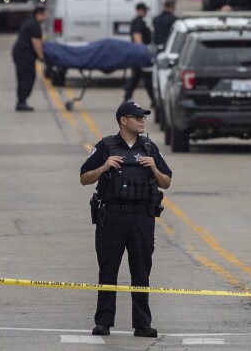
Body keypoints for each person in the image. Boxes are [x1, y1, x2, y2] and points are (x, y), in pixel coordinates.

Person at [80, 101, 172, 338]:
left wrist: (153, 168)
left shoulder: (150, 148)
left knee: (141, 270)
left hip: (142, 216)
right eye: (137, 117)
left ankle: (142, 324)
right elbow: (84, 178)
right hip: (112, 216)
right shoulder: (106, 146)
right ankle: (103, 322)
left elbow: (166, 182)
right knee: (108, 269)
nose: (142, 121)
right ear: (123, 120)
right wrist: (103, 167)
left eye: (143, 117)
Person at [11, 6, 46, 111]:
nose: (46, 17)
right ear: (39, 14)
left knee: (22, 77)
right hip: (24, 55)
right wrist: (41, 56)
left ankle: (21, 101)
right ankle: (21, 101)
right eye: (45, 14)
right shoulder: (35, 25)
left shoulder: (30, 22)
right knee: (28, 77)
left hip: (20, 54)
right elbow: (36, 42)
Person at [123, 2, 155, 104]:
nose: (146, 12)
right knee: (146, 79)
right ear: (140, 11)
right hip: (139, 55)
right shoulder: (137, 23)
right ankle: (154, 100)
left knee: (136, 79)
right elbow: (137, 39)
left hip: (138, 55)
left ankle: (127, 98)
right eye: (145, 10)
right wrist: (142, 53)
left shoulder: (140, 22)